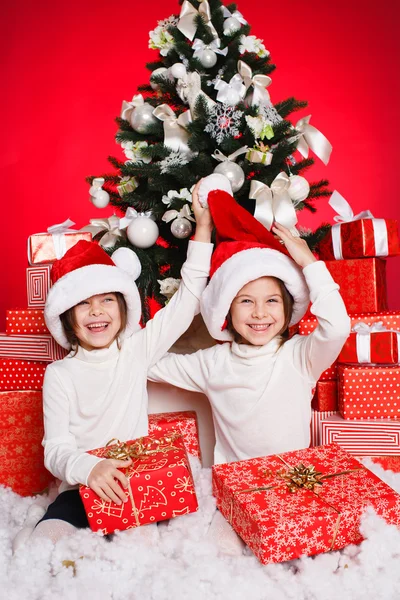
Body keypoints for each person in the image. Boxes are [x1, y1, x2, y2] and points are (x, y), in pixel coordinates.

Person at [148, 175, 351, 553]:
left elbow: (337, 325)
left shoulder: (300, 357)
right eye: (245, 301)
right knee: (218, 555)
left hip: (293, 483)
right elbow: (146, 360)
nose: (259, 313)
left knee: (309, 556)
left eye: (271, 301)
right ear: (225, 309)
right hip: (238, 490)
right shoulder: (212, 363)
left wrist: (308, 262)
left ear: (288, 307)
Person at [13, 181, 213, 550]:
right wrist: (90, 469)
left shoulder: (134, 352)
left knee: (142, 555)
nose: (96, 312)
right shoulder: (60, 375)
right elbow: (55, 449)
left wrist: (201, 230)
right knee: (40, 549)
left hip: (134, 481)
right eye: (83, 304)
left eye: (107, 299)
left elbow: (186, 303)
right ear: (66, 318)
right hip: (82, 485)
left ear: (123, 309)